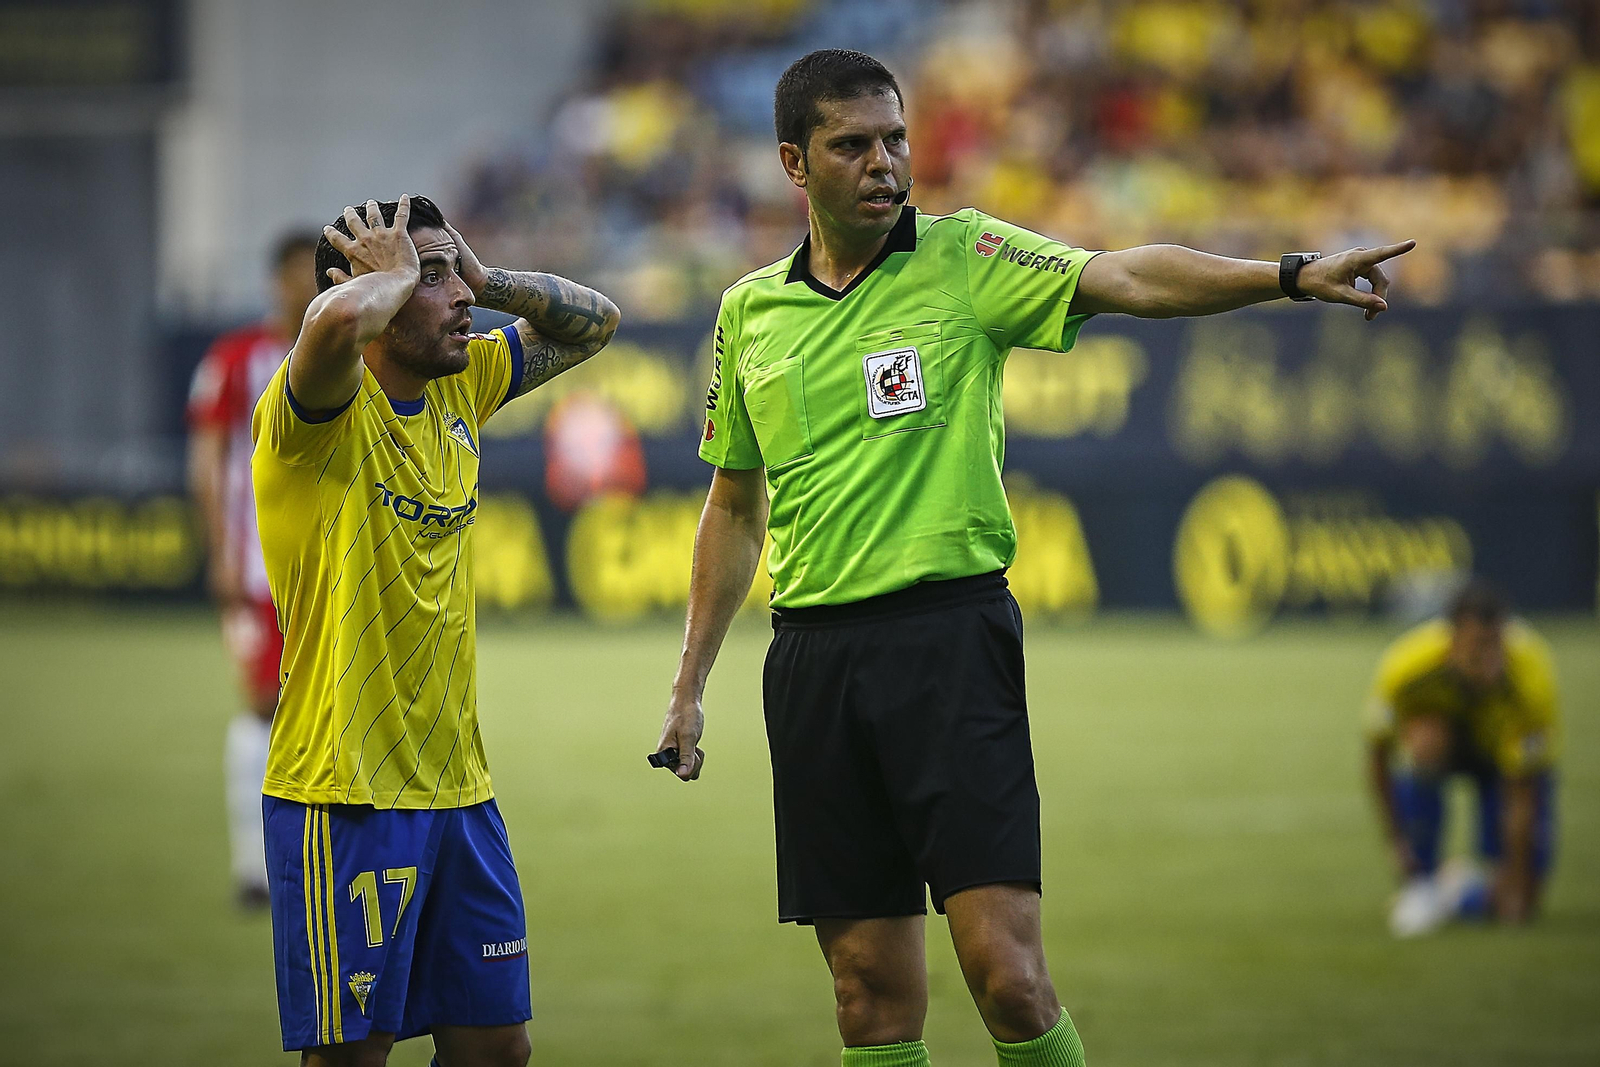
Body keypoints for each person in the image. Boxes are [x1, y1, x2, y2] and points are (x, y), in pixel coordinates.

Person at [653, 49, 1414, 1067]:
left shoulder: (965, 256)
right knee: (865, 996)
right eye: (853, 145)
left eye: (896, 139)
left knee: (1008, 978)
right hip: (813, 664)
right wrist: (690, 682)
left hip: (949, 642)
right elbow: (734, 505)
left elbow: (1127, 275)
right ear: (795, 162)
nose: (885, 163)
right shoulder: (750, 311)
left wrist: (1284, 274)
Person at [252, 193, 619, 1065]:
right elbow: (334, 328)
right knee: (353, 1055)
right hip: (344, 795)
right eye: (432, 276)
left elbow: (596, 323)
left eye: (457, 271)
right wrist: (389, 279)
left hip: (461, 794)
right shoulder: (313, 413)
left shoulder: (466, 386)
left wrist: (489, 277)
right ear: (373, 289)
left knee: (500, 1048)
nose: (460, 296)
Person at [187, 229, 319, 907]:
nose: (307, 285)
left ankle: (308, 859)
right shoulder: (235, 358)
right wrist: (217, 547)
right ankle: (253, 867)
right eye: (298, 272)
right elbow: (208, 457)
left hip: (327, 567)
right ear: (276, 279)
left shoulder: (344, 350)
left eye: (316, 273)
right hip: (255, 565)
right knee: (264, 703)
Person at [1365, 580, 1560, 938]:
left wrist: (1514, 882)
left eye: (1495, 648)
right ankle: (1422, 884)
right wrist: (1398, 845)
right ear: (1451, 641)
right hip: (1447, 746)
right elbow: (1378, 758)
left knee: (1517, 905)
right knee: (1425, 739)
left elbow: (1523, 790)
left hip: (1504, 761)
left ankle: (1461, 891)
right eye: (1477, 649)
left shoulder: (1531, 676)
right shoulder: (1407, 667)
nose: (1489, 662)